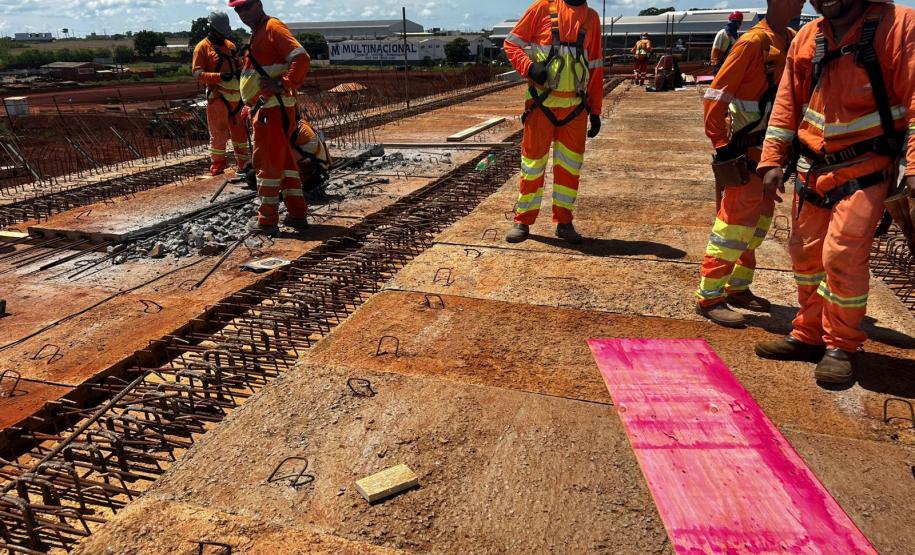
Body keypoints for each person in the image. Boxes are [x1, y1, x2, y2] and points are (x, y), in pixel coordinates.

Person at [755, 0, 915, 384]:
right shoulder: (809, 37)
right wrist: (773, 158)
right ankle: (809, 333)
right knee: (805, 256)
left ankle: (841, 344)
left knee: (842, 255)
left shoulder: (898, 26)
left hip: (866, 167)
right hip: (812, 167)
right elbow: (787, 102)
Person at [694, 0, 803, 328]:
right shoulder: (753, 43)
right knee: (733, 226)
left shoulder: (793, 40)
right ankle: (710, 295)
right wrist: (722, 146)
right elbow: (715, 96)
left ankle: (738, 287)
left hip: (773, 158)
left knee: (756, 226)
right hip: (746, 155)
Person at [502, 0, 604, 244]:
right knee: (533, 165)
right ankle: (523, 220)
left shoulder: (591, 18)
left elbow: (596, 65)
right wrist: (529, 68)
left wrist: (596, 110)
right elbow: (511, 44)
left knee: (569, 168)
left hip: (575, 109)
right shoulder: (541, 8)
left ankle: (564, 222)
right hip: (541, 106)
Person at [229, 0, 310, 234]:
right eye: (238, 10)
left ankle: (267, 221)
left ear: (259, 4)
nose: (242, 13)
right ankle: (297, 214)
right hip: (269, 108)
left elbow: (301, 58)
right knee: (284, 164)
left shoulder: (272, 27)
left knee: (266, 164)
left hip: (272, 110)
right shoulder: (258, 32)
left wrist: (283, 83)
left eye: (246, 7)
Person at [192, 11, 249, 176]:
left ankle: (244, 165)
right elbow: (197, 74)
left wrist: (241, 70)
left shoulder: (230, 46)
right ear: (211, 28)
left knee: (240, 133)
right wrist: (219, 77)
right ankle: (217, 167)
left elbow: (238, 64)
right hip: (218, 96)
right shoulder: (202, 48)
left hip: (237, 97)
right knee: (219, 133)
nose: (221, 36)